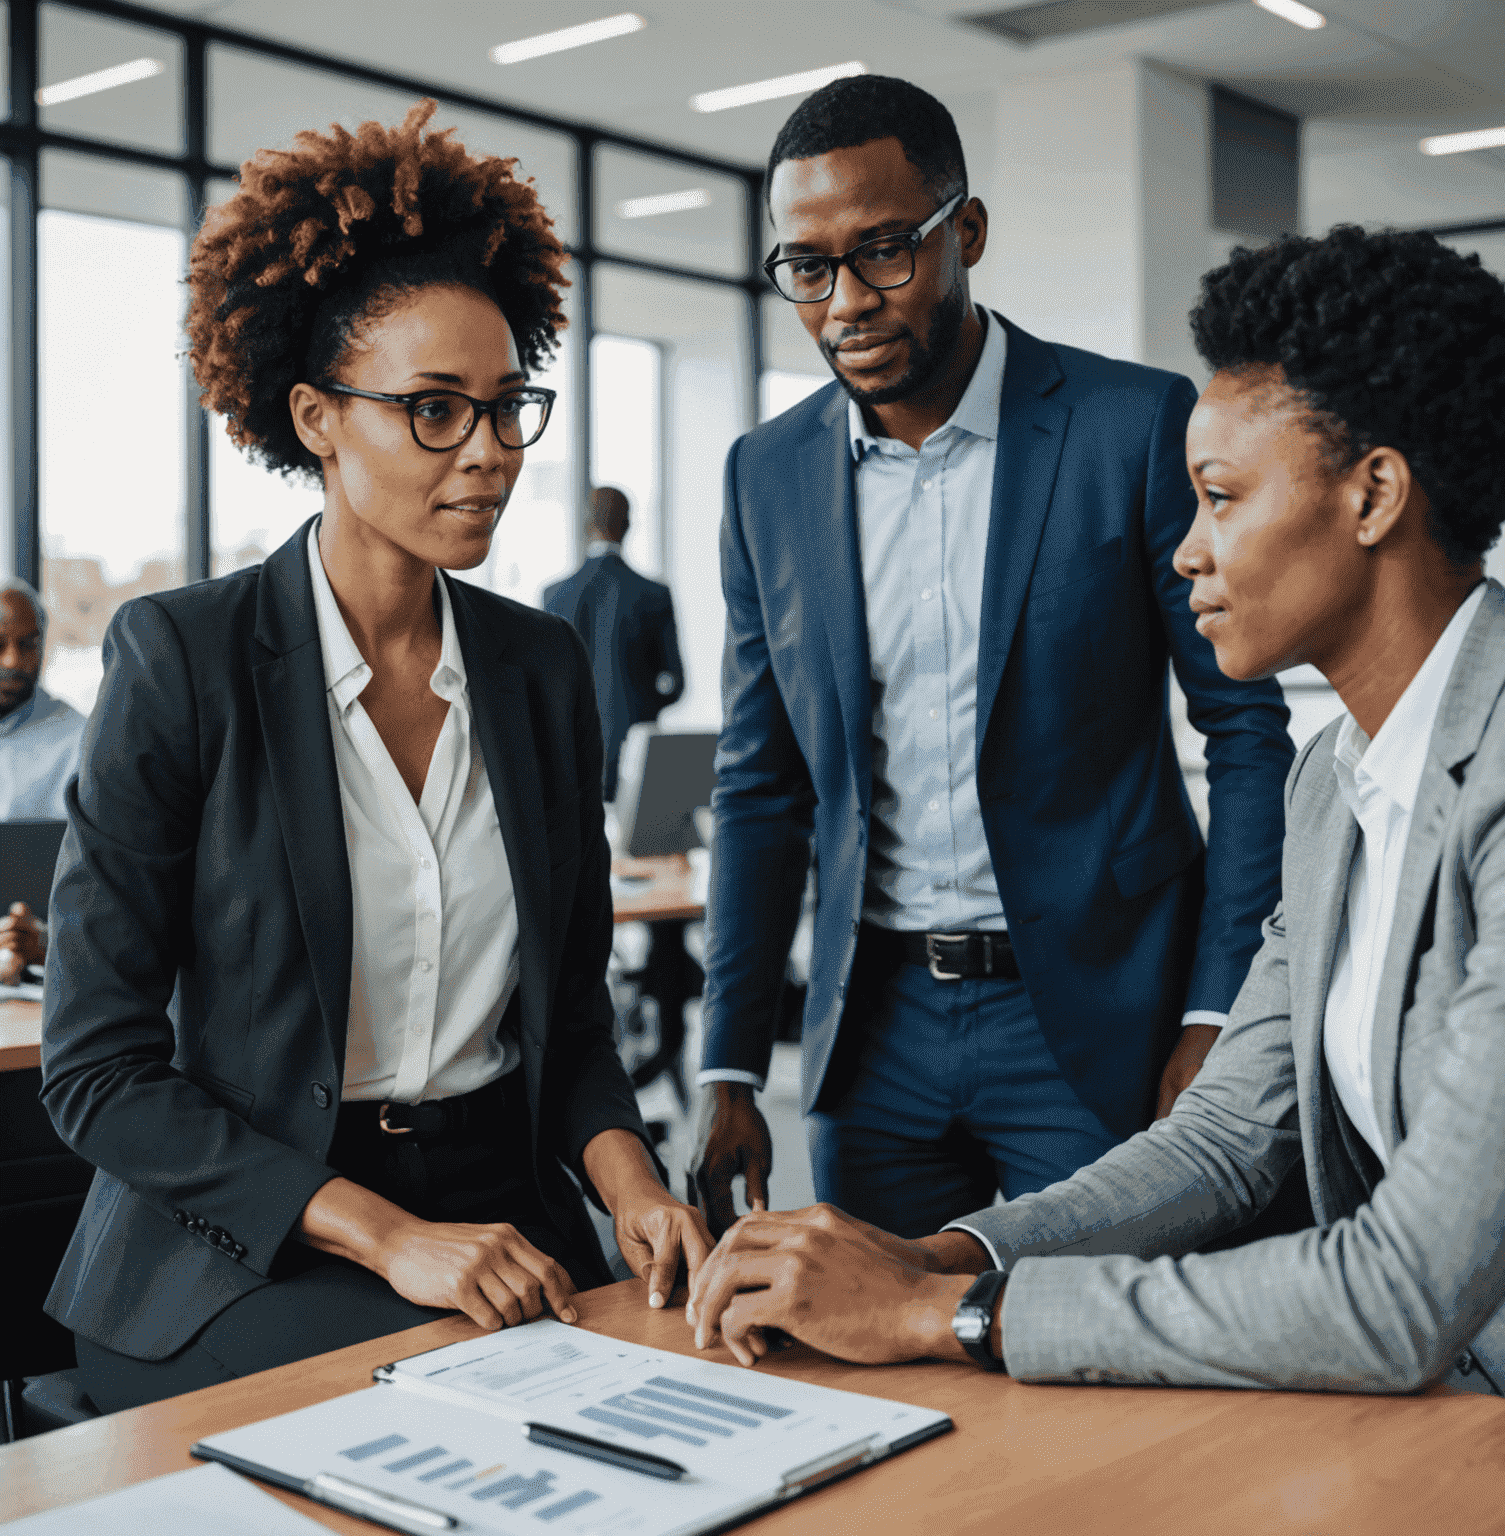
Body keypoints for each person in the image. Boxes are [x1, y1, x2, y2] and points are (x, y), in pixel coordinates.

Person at [685, 225, 1505, 1404]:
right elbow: (1230, 1140)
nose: (1185, 551)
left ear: (1374, 495)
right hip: (1438, 1415)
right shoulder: (1339, 782)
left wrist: (952, 1313)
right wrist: (940, 1253)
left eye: (1222, 498)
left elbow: (1400, 1297)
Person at [40, 101, 712, 1413]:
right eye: (435, 411)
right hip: (237, 1247)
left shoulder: (539, 668)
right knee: (493, 1404)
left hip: (503, 1210)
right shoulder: (184, 657)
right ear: (316, 419)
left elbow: (569, 1022)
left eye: (510, 407)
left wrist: (633, 1184)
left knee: (680, 1373)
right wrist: (386, 1232)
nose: (493, 454)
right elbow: (98, 1071)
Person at [690, 75, 1295, 1239]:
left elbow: (1245, 730)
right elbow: (760, 784)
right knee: (885, 1372)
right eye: (807, 268)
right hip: (874, 1037)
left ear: (964, 232)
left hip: (1100, 1014)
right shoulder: (763, 475)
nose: (846, 303)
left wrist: (1219, 1011)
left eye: (883, 253)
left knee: (1111, 1368)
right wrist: (726, 1061)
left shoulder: (1131, 427)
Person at [542, 486, 685, 802]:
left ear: (584, 526)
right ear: (628, 525)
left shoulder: (553, 597)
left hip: (571, 756)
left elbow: (544, 686)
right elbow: (676, 683)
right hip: (636, 757)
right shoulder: (654, 595)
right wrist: (643, 706)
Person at [0, 578, 84, 983]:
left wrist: (51, 940)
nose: (15, 661)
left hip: (36, 974)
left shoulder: (81, 743)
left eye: (29, 644)